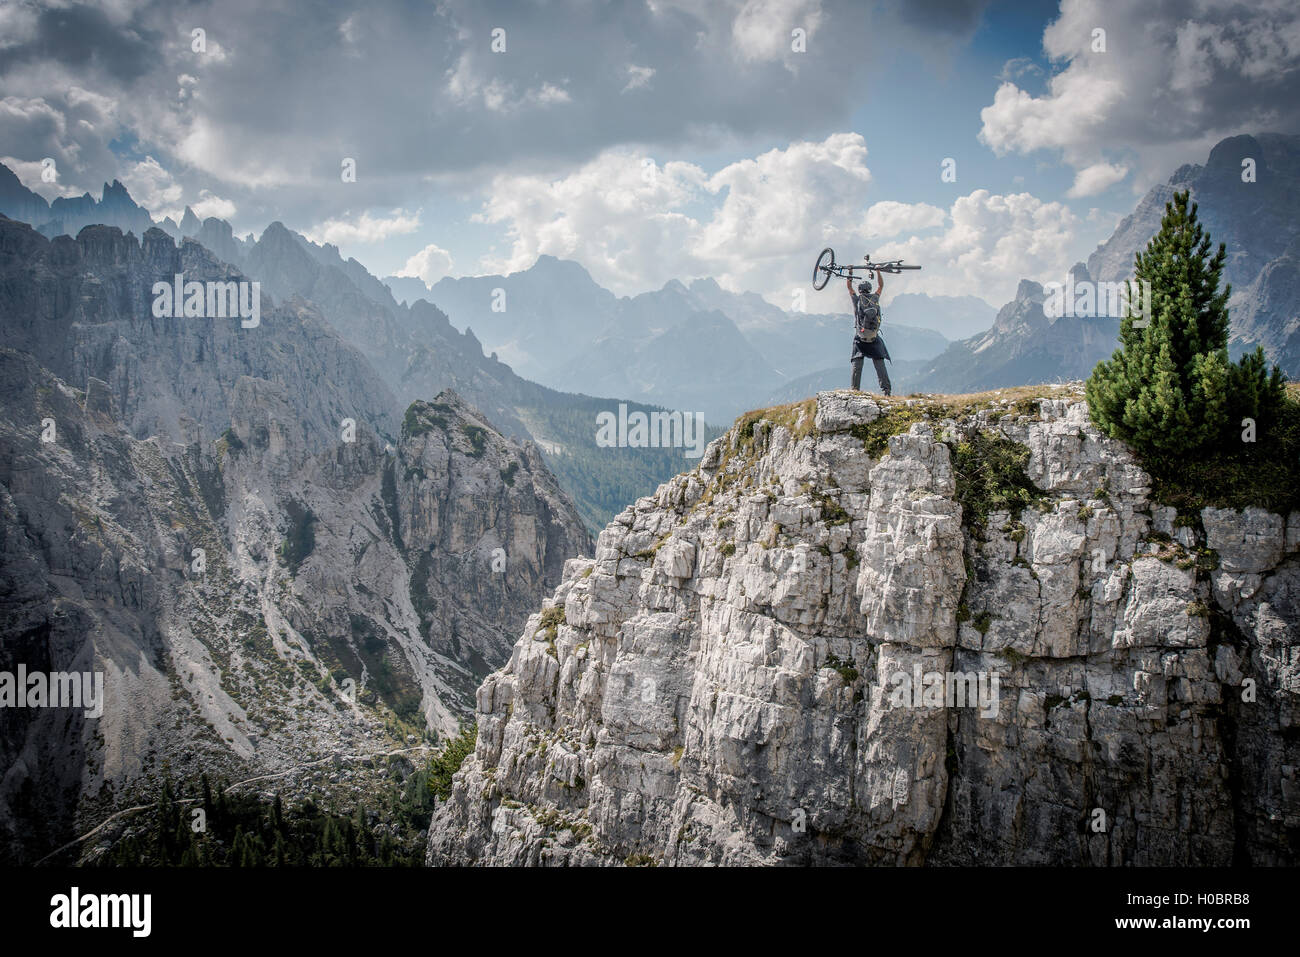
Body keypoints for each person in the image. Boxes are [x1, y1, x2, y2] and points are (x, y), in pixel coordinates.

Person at [847, 271, 891, 395]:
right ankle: (886, 391)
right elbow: (881, 286)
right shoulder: (875, 298)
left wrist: (850, 272)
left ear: (860, 290)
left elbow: (849, 287)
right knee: (879, 365)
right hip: (874, 338)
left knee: (857, 364)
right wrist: (878, 271)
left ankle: (855, 391)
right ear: (869, 289)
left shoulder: (857, 299)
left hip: (860, 339)